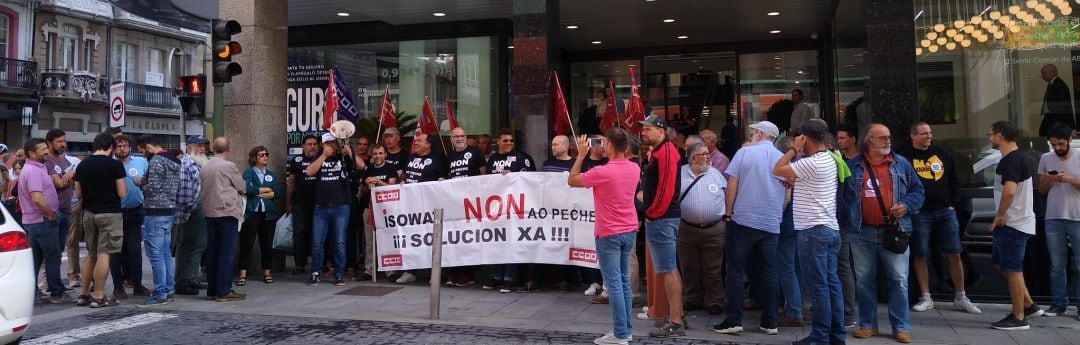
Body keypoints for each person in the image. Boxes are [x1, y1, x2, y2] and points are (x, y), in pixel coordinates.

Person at [844, 123, 924, 343]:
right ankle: (868, 325)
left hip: (894, 231)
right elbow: (843, 198)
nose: (887, 141)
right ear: (868, 141)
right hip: (861, 232)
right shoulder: (853, 166)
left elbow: (918, 191)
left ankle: (901, 327)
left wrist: (906, 205)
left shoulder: (901, 164)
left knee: (898, 280)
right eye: (881, 138)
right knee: (864, 281)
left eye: (888, 137)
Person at [773, 120, 845, 345]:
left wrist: (794, 149)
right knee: (832, 284)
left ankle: (820, 337)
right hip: (829, 229)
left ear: (804, 138)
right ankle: (836, 335)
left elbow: (776, 168)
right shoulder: (832, 158)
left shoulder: (812, 162)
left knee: (819, 286)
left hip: (812, 230)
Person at [899, 122, 981, 315]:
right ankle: (926, 297)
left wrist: (952, 202)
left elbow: (954, 179)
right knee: (920, 254)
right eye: (924, 133)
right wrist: (911, 206)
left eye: (930, 133)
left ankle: (961, 296)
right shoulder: (903, 156)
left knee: (954, 252)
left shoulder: (942, 153)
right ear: (913, 136)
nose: (929, 136)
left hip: (945, 210)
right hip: (920, 213)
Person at [568, 128, 640, 345]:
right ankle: (624, 330)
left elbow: (572, 180)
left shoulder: (602, 172)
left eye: (604, 143)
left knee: (615, 284)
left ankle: (620, 334)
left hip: (609, 232)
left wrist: (581, 155)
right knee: (624, 281)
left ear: (609, 145)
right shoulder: (634, 168)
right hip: (628, 229)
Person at [714, 121, 784, 336]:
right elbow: (787, 190)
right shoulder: (782, 158)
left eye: (753, 132)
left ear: (760, 134)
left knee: (735, 271)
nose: (751, 134)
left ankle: (734, 319)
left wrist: (728, 212)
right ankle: (770, 321)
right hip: (770, 221)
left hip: (743, 219)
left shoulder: (744, 153)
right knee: (770, 271)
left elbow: (732, 185)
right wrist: (777, 213)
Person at [984, 121, 1042, 330]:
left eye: (990, 134)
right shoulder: (1015, 158)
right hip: (1014, 222)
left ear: (999, 135)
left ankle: (1019, 317)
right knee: (1000, 264)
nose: (989, 138)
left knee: (1013, 269)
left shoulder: (1012, 160)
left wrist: (1000, 216)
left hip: (1013, 223)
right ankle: (1029, 305)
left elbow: (1009, 191)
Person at [636, 115, 687, 337]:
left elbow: (666, 190)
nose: (643, 133)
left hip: (662, 218)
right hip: (662, 217)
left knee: (667, 270)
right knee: (667, 269)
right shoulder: (661, 151)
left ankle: (675, 321)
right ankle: (676, 316)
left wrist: (652, 213)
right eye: (643, 130)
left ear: (661, 130)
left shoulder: (666, 152)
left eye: (647, 129)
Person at [72, 133, 126, 308]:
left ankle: (83, 294)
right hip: (110, 213)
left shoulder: (82, 165)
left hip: (88, 214)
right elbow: (122, 193)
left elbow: (78, 194)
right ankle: (98, 296)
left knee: (92, 254)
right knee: (105, 253)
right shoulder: (115, 165)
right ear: (110, 147)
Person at [676, 143, 727, 315]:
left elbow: (727, 196)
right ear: (692, 158)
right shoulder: (680, 174)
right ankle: (692, 298)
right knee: (689, 266)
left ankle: (714, 300)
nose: (707, 156)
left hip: (714, 230)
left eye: (708, 153)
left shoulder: (716, 174)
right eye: (703, 154)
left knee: (713, 268)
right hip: (686, 229)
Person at [483, 129, 536, 293]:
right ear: (497, 142)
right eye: (505, 141)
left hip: (516, 208)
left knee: (512, 241)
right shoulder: (492, 159)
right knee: (499, 241)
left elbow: (531, 180)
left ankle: (509, 278)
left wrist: (513, 176)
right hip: (497, 208)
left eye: (511, 141)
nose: (508, 144)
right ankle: (498, 276)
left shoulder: (522, 158)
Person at [306, 133, 360, 286]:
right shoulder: (318, 158)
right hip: (321, 206)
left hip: (341, 206)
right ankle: (316, 272)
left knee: (339, 242)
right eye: (327, 143)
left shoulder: (344, 159)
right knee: (317, 241)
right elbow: (309, 171)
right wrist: (323, 156)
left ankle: (338, 273)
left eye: (332, 142)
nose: (330, 145)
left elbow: (361, 165)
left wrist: (349, 151)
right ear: (322, 145)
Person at [1039, 123, 1080, 318]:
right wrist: (1048, 180)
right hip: (1053, 216)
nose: (1057, 148)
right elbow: (1041, 190)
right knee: (1057, 264)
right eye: (1053, 144)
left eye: (1061, 144)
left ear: (1070, 139)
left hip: (1077, 216)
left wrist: (1071, 180)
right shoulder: (1046, 158)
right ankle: (1058, 303)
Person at [395, 133, 446, 284]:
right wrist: (403, 179)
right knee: (411, 238)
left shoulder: (438, 158)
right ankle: (409, 271)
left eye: (419, 140)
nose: (415, 142)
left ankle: (434, 273)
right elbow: (404, 173)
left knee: (431, 239)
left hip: (429, 206)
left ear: (428, 144)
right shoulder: (411, 157)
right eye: (415, 140)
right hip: (411, 206)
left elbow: (443, 179)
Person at [200, 137, 247, 302]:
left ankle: (212, 290)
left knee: (212, 252)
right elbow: (242, 187)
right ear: (229, 149)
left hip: (209, 213)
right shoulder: (229, 166)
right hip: (227, 213)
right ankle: (224, 290)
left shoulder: (205, 165)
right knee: (226, 253)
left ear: (213, 149)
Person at [21, 138, 67, 304]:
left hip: (35, 221)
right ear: (32, 153)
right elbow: (37, 198)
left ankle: (34, 293)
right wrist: (50, 214)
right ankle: (56, 292)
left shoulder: (37, 168)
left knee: (36, 258)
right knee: (52, 256)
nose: (47, 151)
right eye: (43, 150)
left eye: (46, 148)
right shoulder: (33, 171)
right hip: (41, 220)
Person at [137, 135, 181, 306]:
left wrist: (140, 183)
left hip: (155, 211)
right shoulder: (175, 161)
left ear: (148, 147)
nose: (143, 155)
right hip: (169, 210)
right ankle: (168, 289)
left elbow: (153, 188)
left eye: (142, 151)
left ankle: (160, 293)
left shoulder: (156, 161)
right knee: (165, 254)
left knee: (155, 255)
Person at [443, 127, 486, 286]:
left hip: (471, 202)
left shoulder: (476, 152)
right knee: (454, 238)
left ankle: (467, 273)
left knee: (469, 238)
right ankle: (453, 272)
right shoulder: (449, 156)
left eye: (462, 136)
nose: (460, 139)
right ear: (451, 139)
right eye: (456, 136)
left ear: (466, 137)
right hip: (454, 202)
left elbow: (484, 175)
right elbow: (448, 175)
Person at [237, 146, 282, 286]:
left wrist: (259, 193)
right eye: (261, 154)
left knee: (267, 243)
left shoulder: (271, 174)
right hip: (252, 213)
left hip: (268, 214)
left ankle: (267, 271)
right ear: (254, 157)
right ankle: (242, 273)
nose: (265, 156)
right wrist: (267, 189)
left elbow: (278, 192)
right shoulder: (249, 172)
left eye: (266, 154)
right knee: (246, 243)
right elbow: (247, 189)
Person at [43, 129, 79, 287]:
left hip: (67, 209)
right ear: (49, 143)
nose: (63, 144)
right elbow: (59, 183)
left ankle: (53, 283)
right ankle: (47, 283)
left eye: (64, 141)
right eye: (59, 141)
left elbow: (71, 183)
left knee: (59, 249)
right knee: (51, 250)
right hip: (53, 210)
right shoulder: (47, 161)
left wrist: (70, 175)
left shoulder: (65, 162)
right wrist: (71, 175)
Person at [173, 136, 207, 296]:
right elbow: (186, 191)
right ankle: (185, 280)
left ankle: (189, 278)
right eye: (199, 145)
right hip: (192, 210)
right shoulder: (187, 164)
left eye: (204, 146)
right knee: (191, 246)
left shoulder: (198, 163)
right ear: (189, 148)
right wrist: (192, 208)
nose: (202, 149)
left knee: (195, 246)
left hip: (197, 209)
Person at [360, 144, 400, 281]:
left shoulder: (391, 168)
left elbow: (392, 187)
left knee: (388, 239)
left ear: (385, 154)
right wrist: (367, 185)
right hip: (369, 208)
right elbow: (362, 189)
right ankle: (369, 270)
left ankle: (391, 271)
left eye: (380, 153)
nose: (378, 156)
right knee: (369, 241)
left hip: (386, 210)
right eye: (375, 154)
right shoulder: (368, 169)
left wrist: (377, 182)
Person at [833, 125, 859, 327]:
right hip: (842, 220)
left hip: (845, 220)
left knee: (844, 267)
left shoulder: (852, 163)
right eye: (837, 138)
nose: (840, 141)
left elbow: (850, 195)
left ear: (853, 139)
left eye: (843, 137)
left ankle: (848, 312)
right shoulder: (838, 160)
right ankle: (838, 308)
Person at [286, 135, 320, 275]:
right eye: (309, 144)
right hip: (300, 204)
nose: (312, 146)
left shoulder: (321, 159)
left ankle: (319, 264)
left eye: (314, 144)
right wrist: (288, 203)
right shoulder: (296, 161)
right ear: (303, 146)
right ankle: (300, 264)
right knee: (300, 234)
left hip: (319, 203)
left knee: (318, 235)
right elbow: (291, 182)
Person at [1038, 64, 1077, 136]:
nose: (1042, 76)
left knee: (1046, 135)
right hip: (1052, 117)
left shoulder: (1059, 85)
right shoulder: (1054, 84)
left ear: (1052, 72)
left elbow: (1062, 106)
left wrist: (1059, 123)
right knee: (1043, 134)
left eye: (1044, 73)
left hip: (1055, 118)